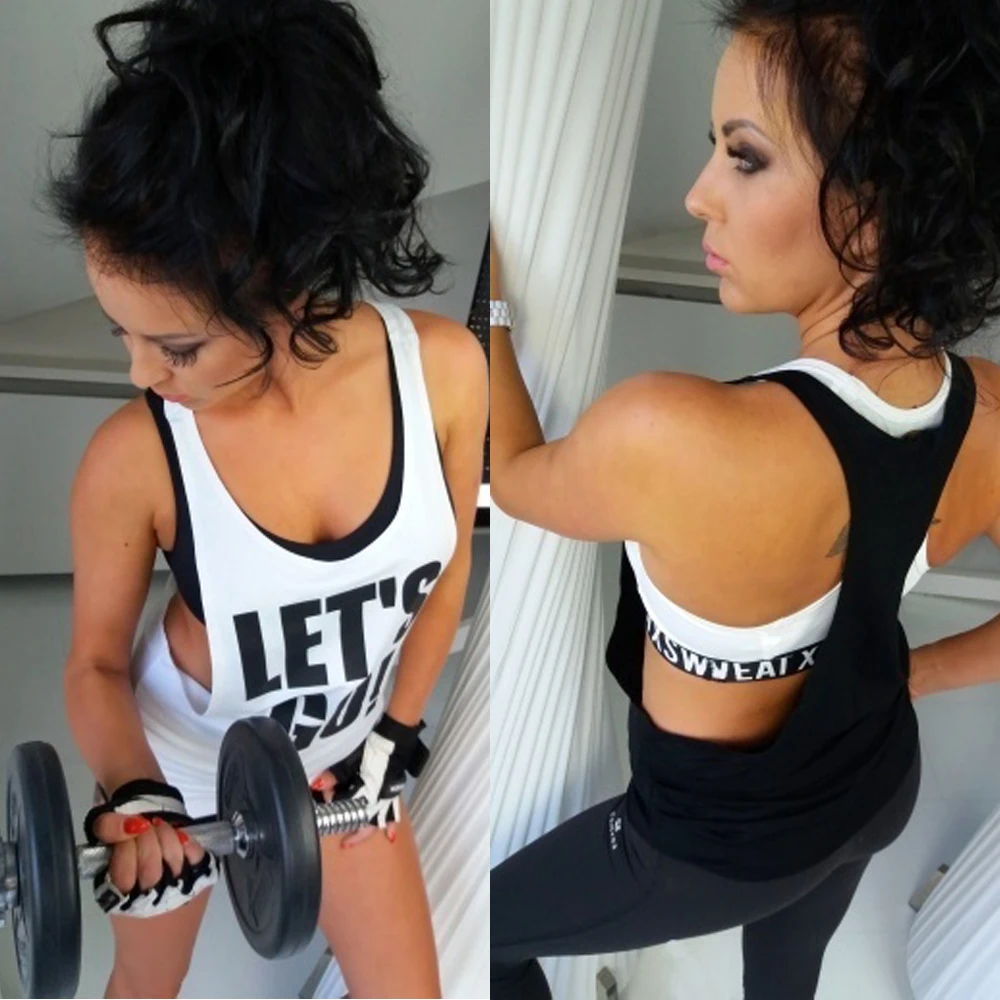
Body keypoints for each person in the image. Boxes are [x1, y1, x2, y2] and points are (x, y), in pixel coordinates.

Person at [489, 0, 1000, 996]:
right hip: (874, 785)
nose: (697, 196)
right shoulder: (985, 407)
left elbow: (512, 477)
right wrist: (914, 674)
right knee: (787, 972)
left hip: (698, 853)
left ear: (874, 206)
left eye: (744, 157)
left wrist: (494, 312)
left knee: (487, 929)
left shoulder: (674, 436)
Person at [43, 1, 488, 997]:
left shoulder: (446, 376)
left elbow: (449, 571)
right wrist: (138, 793)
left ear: (284, 275)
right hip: (181, 766)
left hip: (340, 763)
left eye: (176, 347)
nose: (139, 375)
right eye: (122, 334)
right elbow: (94, 664)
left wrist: (392, 737)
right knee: (142, 990)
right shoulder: (134, 457)